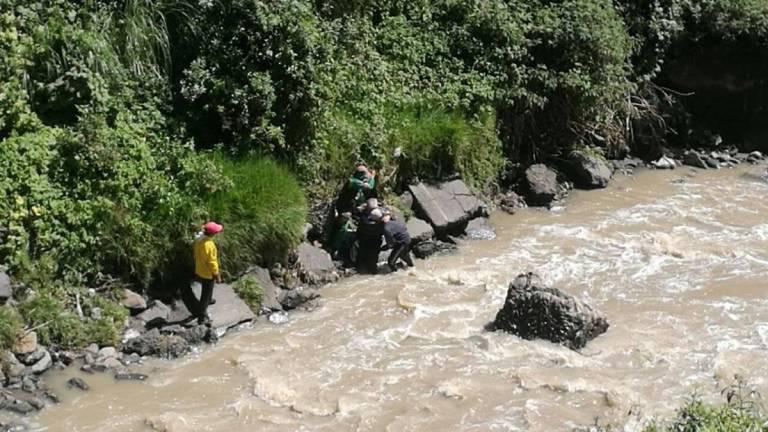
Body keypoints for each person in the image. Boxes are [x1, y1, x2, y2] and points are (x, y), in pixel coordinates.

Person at [191, 221, 223, 325]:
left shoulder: (199, 240)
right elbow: (212, 262)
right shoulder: (210, 245)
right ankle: (202, 316)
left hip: (199, 269)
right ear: (213, 234)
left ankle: (209, 299)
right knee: (206, 292)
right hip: (208, 272)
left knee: (207, 288)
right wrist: (216, 274)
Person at [355, 207, 383, 274]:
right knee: (373, 260)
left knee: (362, 257)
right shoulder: (380, 224)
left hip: (364, 242)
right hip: (375, 243)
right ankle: (373, 272)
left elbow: (359, 230)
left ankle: (360, 269)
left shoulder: (364, 222)